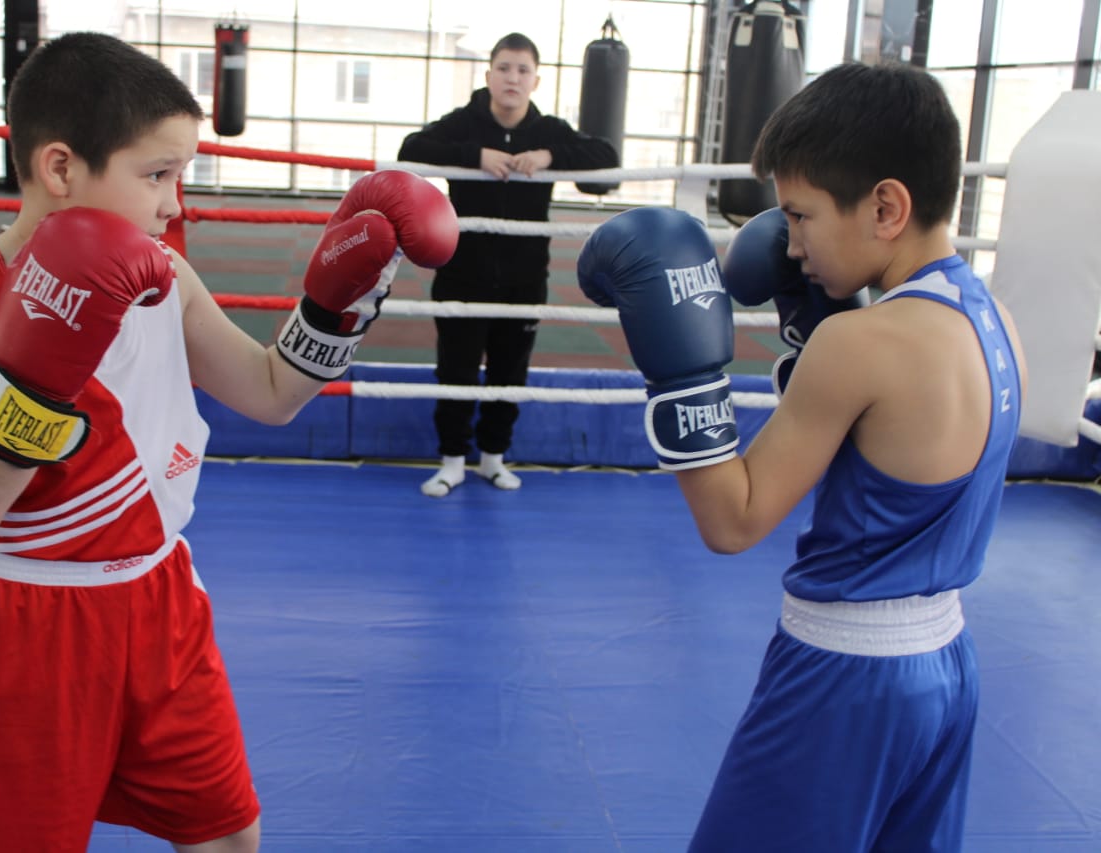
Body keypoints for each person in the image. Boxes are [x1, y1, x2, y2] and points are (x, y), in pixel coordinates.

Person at [0, 32, 457, 853]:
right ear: (61, 168)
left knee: (228, 835)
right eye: (157, 174)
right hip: (25, 620)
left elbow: (270, 393)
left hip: (159, 603)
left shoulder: (165, 277)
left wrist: (335, 305)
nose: (175, 203)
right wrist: (42, 364)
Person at [577, 62, 1027, 851]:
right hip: (946, 668)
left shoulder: (860, 343)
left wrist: (682, 369)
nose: (789, 243)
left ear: (886, 205)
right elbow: (884, 444)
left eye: (801, 215)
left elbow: (733, 517)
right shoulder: (995, 322)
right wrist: (807, 319)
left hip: (842, 678)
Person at [397, 32, 618, 497]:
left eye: (521, 70)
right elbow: (410, 150)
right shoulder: (464, 123)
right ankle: (452, 460)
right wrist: (472, 156)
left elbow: (606, 158)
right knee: (454, 369)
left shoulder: (549, 130)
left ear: (536, 80)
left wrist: (551, 156)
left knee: (509, 372)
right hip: (461, 273)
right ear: (488, 75)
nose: (512, 78)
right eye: (504, 68)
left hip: (523, 278)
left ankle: (493, 459)